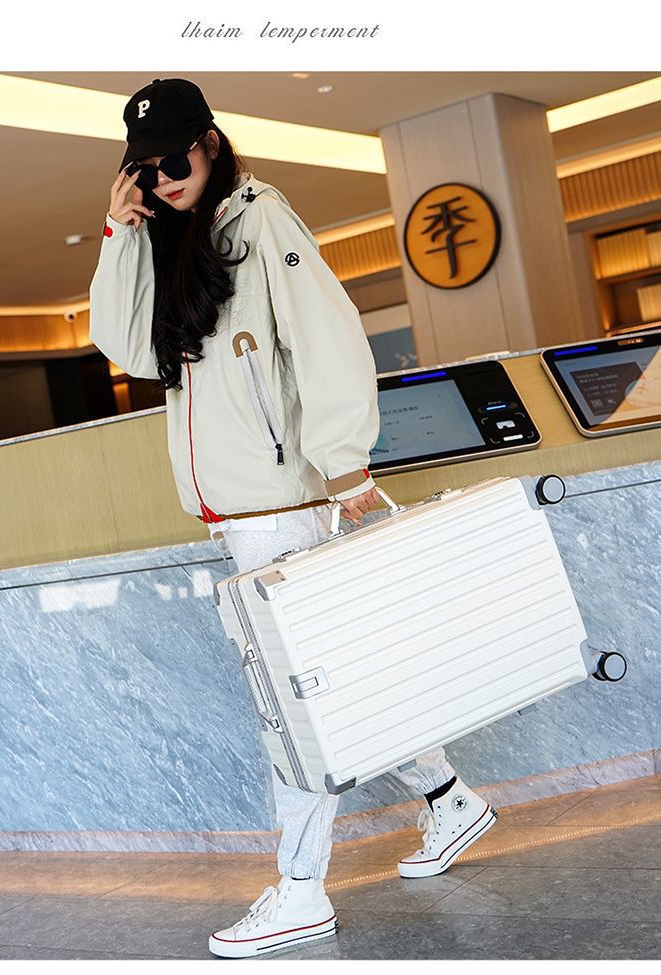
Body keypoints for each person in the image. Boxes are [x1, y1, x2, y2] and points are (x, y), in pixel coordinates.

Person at [88, 77, 497, 960]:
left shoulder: (260, 218)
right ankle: (450, 798)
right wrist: (121, 234)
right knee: (334, 688)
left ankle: (302, 889)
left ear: (211, 142)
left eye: (174, 159)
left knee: (293, 710)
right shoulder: (174, 244)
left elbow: (327, 333)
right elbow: (125, 349)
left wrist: (346, 461)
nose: (163, 179)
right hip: (241, 513)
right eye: (144, 170)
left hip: (285, 507)